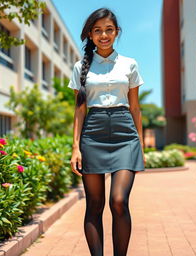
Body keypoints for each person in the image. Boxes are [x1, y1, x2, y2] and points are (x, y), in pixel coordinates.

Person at [68, 7, 146, 256]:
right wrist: (75, 147)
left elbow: (135, 107)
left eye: (109, 30)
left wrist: (140, 146)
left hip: (125, 134)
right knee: (94, 205)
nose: (104, 35)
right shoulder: (81, 67)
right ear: (90, 34)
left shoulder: (129, 64)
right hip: (93, 134)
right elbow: (80, 111)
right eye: (98, 30)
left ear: (117, 32)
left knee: (119, 202)